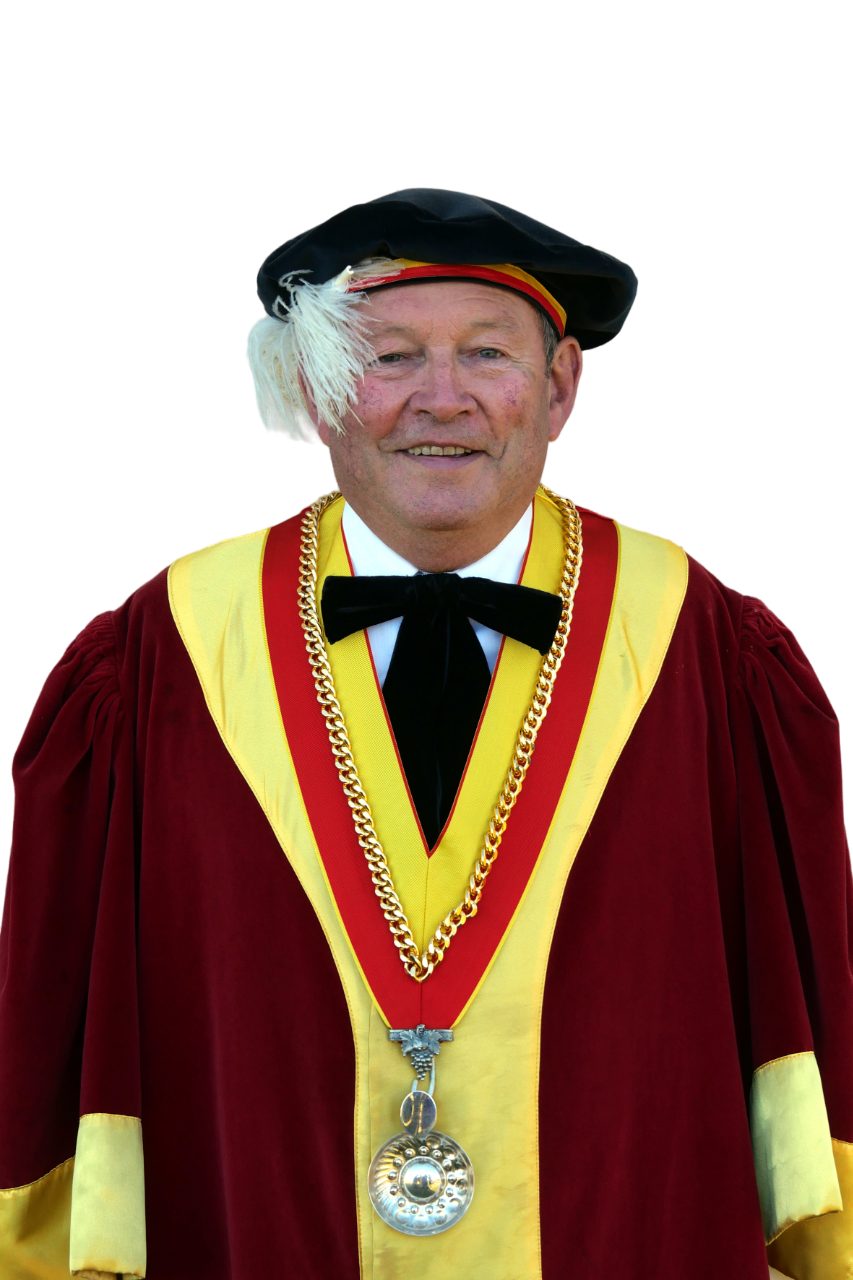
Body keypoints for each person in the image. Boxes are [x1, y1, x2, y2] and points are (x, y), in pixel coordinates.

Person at [0, 189, 850, 1280]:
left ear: (559, 387)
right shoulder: (165, 658)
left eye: (487, 354)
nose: (440, 398)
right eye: (389, 356)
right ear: (317, 391)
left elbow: (805, 1016)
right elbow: (55, 1026)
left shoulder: (702, 652)